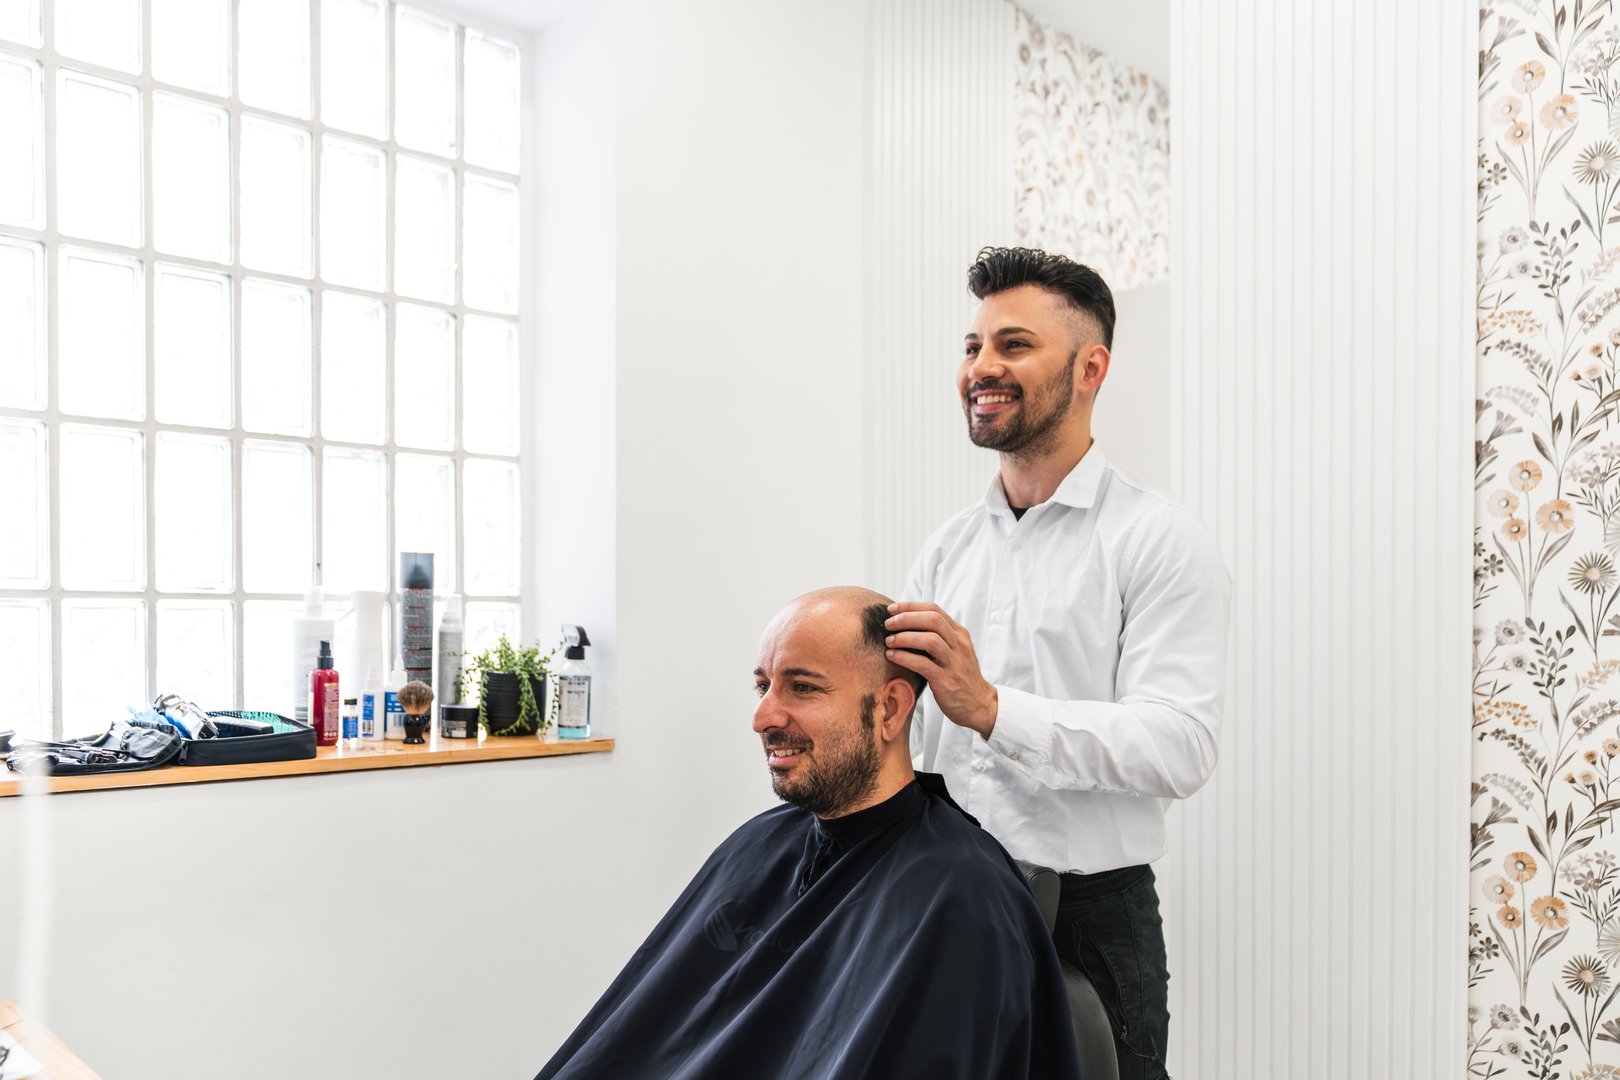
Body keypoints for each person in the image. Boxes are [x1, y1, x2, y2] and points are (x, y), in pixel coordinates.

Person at [886, 246, 1231, 1080]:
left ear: (1090, 367)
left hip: (1093, 918)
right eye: (972, 348)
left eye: (1012, 345)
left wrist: (994, 709)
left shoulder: (1159, 542)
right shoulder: (944, 552)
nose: (982, 368)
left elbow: (1180, 746)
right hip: (949, 897)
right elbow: (919, 738)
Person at [535, 586, 1082, 1080]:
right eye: (762, 685)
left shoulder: (961, 896)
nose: (763, 716)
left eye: (802, 687)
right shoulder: (760, 844)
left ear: (889, 709)